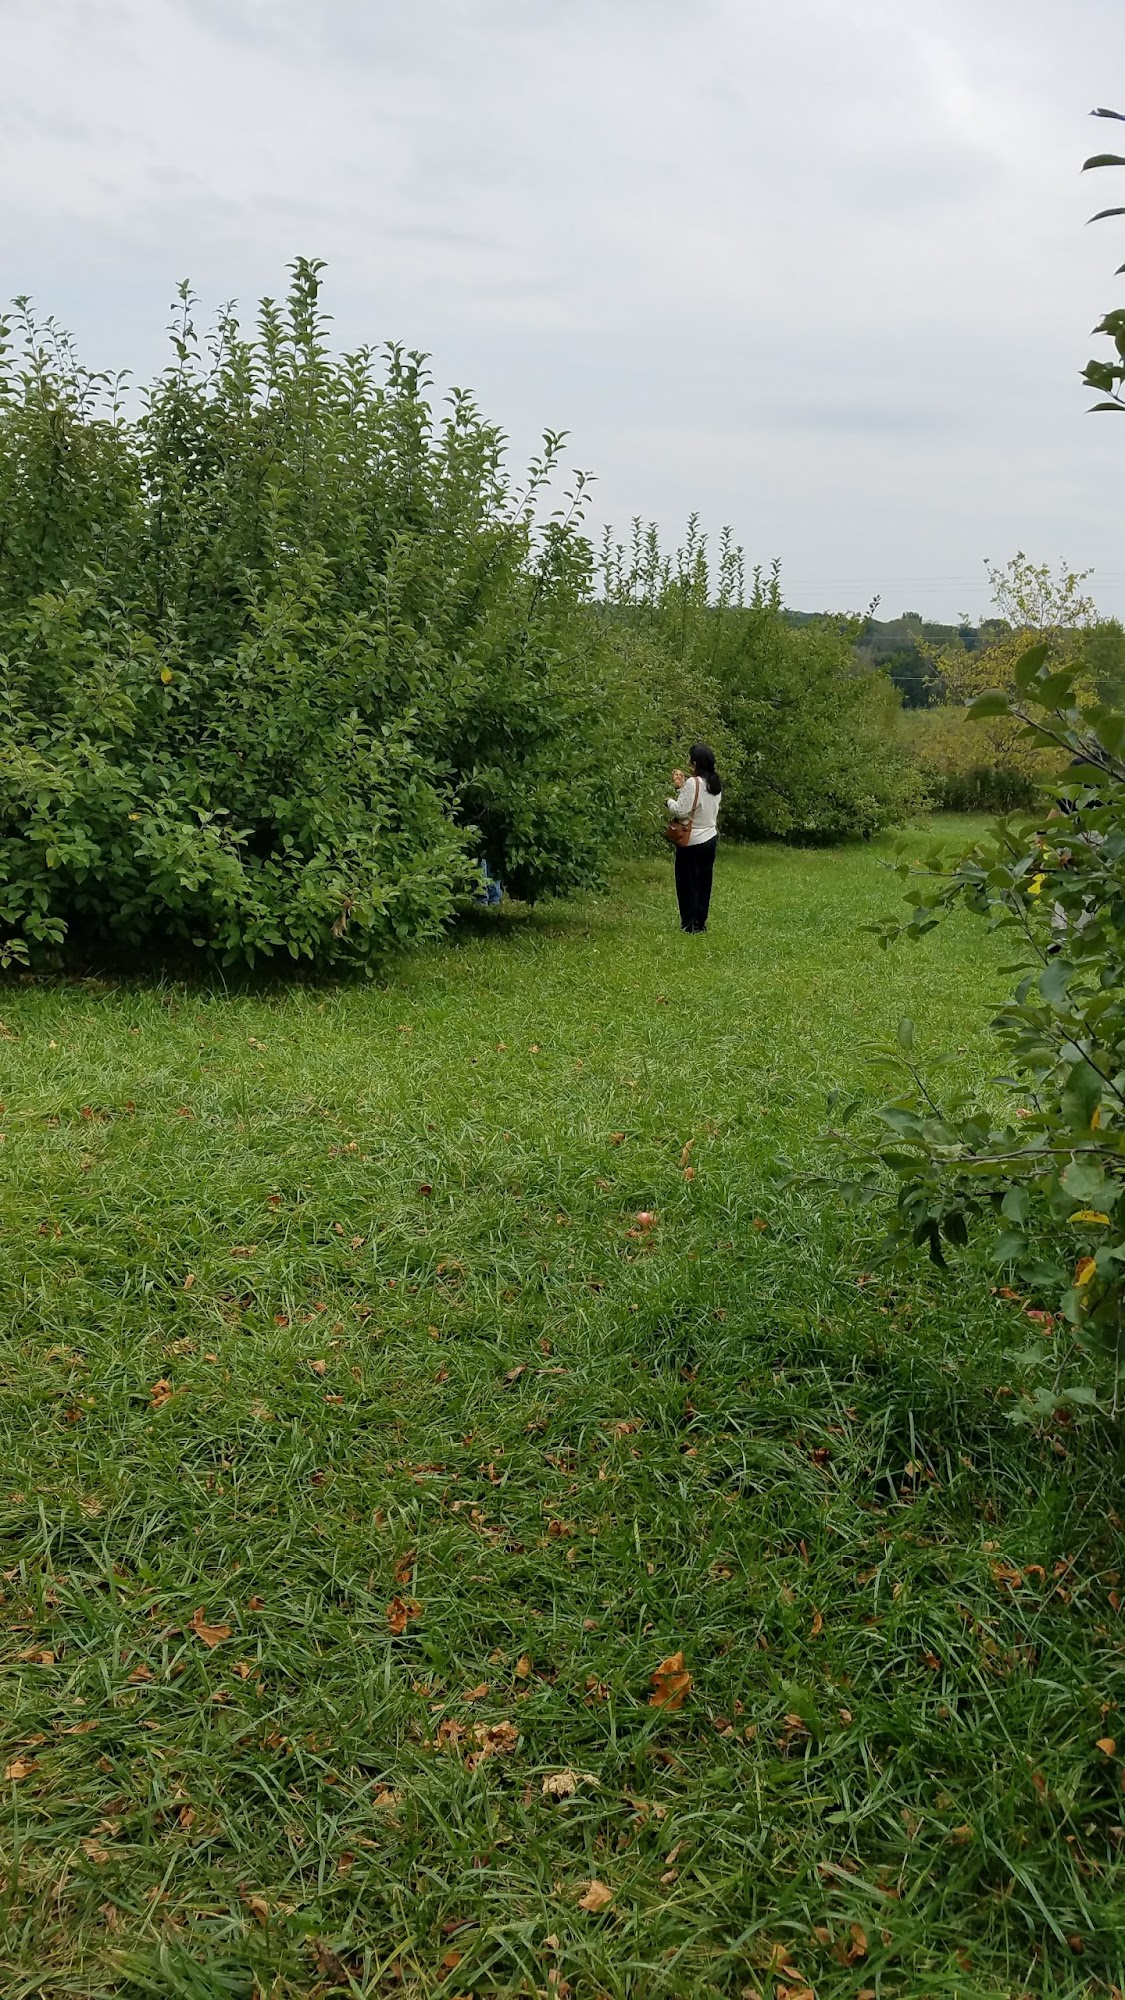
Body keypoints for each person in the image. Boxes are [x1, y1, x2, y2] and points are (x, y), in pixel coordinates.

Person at [666, 743, 722, 932]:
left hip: (692, 840)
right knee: (704, 881)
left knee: (686, 881)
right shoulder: (714, 783)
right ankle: (700, 922)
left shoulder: (694, 783)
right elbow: (700, 805)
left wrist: (669, 801)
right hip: (710, 837)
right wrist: (682, 788)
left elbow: (682, 811)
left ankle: (688, 923)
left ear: (695, 762)